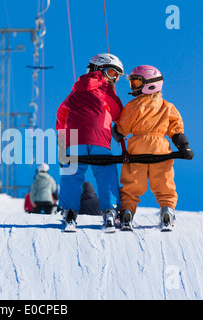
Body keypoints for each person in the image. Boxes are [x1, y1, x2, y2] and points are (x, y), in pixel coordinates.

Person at [114, 65, 194, 230]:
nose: (133, 87)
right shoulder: (167, 106)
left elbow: (123, 128)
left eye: (136, 82)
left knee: (133, 183)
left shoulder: (134, 105)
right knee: (164, 181)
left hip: (137, 147)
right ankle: (167, 211)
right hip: (161, 149)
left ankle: (127, 212)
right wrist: (184, 146)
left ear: (149, 84)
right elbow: (176, 129)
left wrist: (117, 131)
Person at [56, 53, 124, 229]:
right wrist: (112, 94)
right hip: (99, 140)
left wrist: (61, 140)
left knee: (71, 173)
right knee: (106, 173)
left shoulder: (73, 93)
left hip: (74, 141)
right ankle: (110, 209)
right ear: (98, 69)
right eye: (111, 73)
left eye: (117, 77)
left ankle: (69, 211)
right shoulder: (105, 92)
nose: (114, 80)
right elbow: (119, 113)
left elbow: (61, 115)